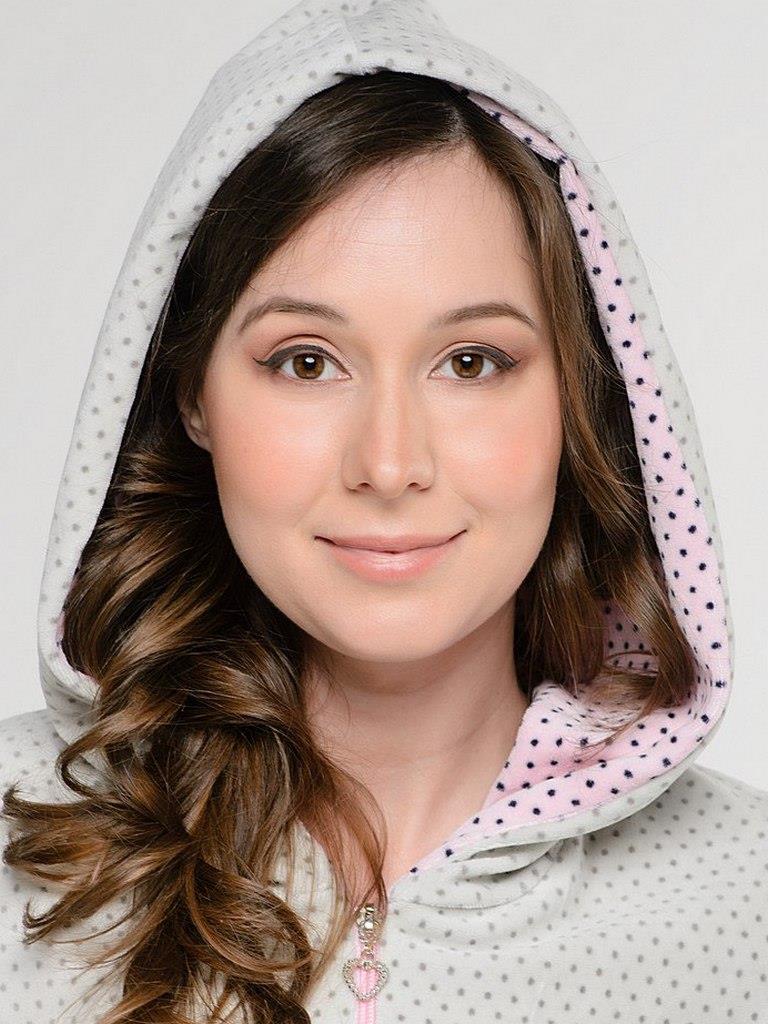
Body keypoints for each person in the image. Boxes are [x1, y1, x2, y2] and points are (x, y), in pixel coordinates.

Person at [1, 1, 765, 1021]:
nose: (391, 463)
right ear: (192, 394)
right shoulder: (17, 842)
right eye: (306, 362)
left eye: (472, 362)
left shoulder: (746, 903)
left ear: (578, 396)